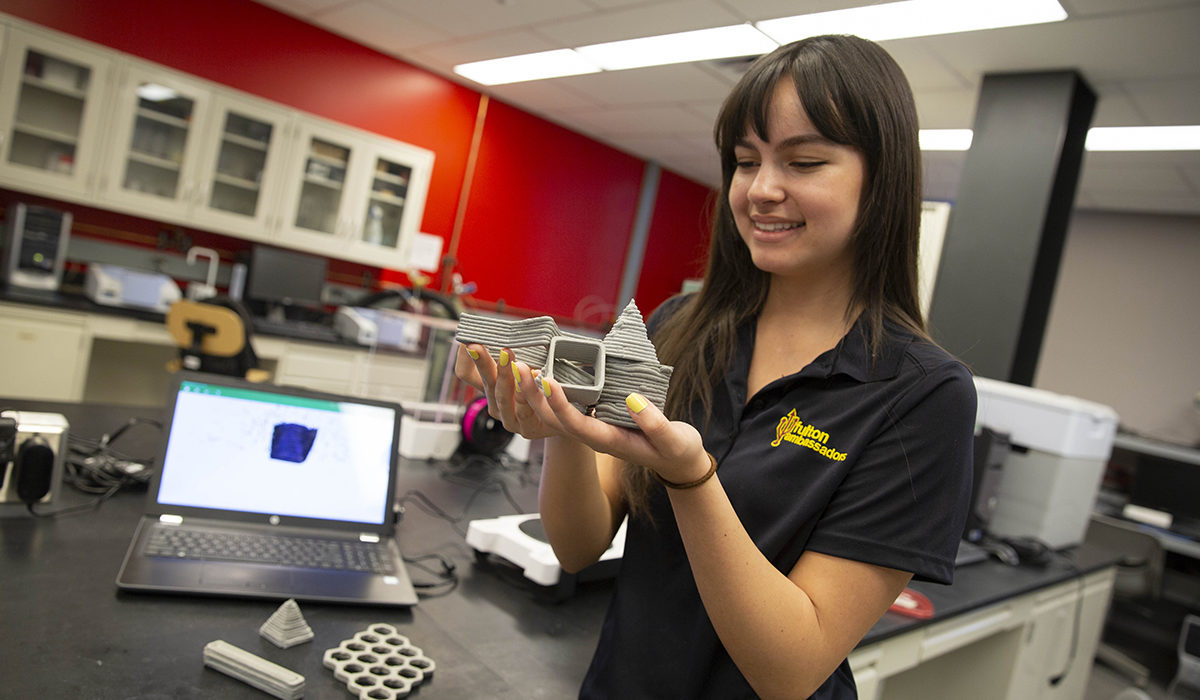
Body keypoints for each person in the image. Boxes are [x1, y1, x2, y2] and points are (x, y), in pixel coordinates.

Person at [455, 34, 976, 700]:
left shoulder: (921, 394)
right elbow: (578, 546)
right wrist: (561, 424)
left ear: (883, 180)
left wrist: (692, 480)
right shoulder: (681, 325)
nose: (762, 190)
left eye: (805, 161)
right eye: (744, 160)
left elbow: (789, 669)